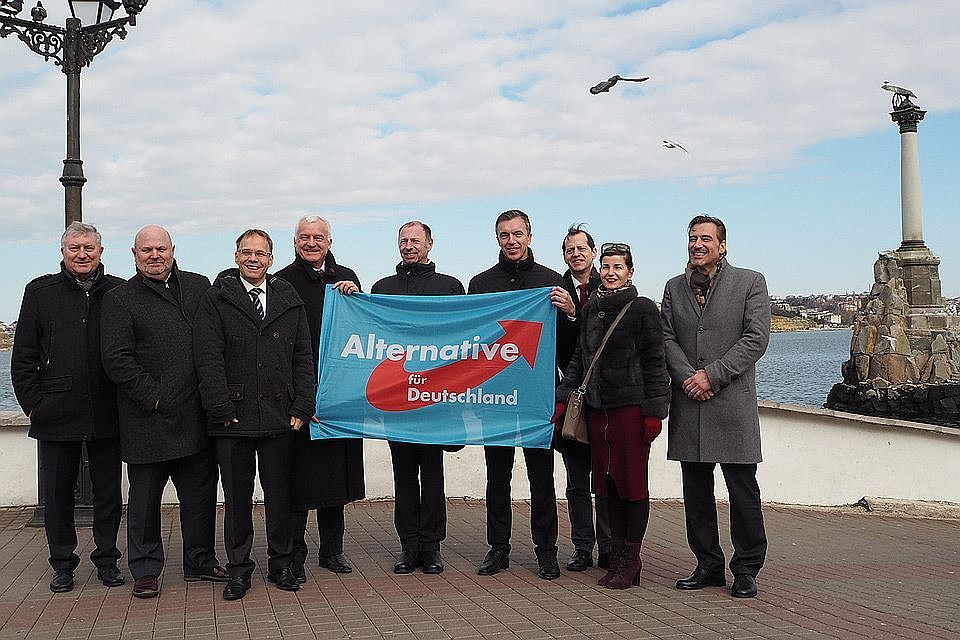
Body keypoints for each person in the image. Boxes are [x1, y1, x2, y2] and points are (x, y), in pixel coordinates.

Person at [100, 225, 227, 598]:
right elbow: (117, 359)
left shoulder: (199, 285)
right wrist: (154, 398)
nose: (154, 255)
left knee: (200, 499)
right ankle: (145, 569)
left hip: (196, 417)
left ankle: (200, 561)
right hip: (147, 420)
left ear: (173, 250)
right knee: (144, 505)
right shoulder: (119, 299)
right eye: (146, 250)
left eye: (160, 249)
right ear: (134, 254)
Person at [194, 229, 315, 600]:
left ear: (271, 259)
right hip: (232, 418)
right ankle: (239, 570)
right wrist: (220, 406)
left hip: (280, 415)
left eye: (260, 253)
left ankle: (282, 565)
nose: (253, 258)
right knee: (237, 500)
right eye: (246, 252)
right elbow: (208, 357)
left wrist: (303, 404)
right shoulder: (216, 298)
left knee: (281, 497)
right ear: (236, 256)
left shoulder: (288, 298)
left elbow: (302, 356)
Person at [11, 221, 125, 593]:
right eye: (74, 248)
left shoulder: (119, 290)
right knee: (58, 496)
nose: (82, 254)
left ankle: (107, 560)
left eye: (89, 247)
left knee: (109, 495)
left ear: (101, 252)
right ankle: (62, 564)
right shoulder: (40, 291)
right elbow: (24, 356)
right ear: (63, 252)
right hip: (56, 412)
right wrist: (34, 405)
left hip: (107, 412)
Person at [660, 215, 770, 599]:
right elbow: (667, 338)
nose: (697, 244)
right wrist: (688, 377)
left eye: (706, 238)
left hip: (731, 405)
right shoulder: (674, 288)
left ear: (722, 246)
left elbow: (756, 339)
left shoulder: (750, 282)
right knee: (696, 494)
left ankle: (746, 568)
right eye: (693, 238)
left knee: (743, 492)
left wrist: (712, 376)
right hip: (689, 404)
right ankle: (707, 564)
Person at [467, 209, 577, 580]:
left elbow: (569, 345)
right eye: (504, 235)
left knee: (541, 478)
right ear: (497, 238)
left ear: (530, 236)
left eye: (517, 234)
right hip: (494, 396)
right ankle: (498, 549)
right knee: (497, 477)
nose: (511, 241)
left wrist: (571, 313)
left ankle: (546, 551)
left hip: (536, 397)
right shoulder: (481, 283)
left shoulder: (552, 281)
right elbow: (469, 339)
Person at [555, 242, 669, 589]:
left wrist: (654, 413)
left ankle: (630, 558)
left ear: (630, 272)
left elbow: (655, 362)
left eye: (618, 267)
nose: (610, 272)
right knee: (607, 486)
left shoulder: (642, 308)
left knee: (631, 485)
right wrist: (563, 399)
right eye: (606, 266)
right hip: (596, 410)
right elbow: (579, 360)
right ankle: (619, 555)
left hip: (629, 410)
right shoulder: (590, 308)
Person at [371, 221, 465, 575]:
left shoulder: (450, 287)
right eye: (403, 241)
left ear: (430, 244)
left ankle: (431, 546)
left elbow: (466, 337)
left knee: (433, 474)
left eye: (415, 240)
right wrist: (349, 295)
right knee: (404, 475)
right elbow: (370, 334)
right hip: (397, 399)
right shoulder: (382, 288)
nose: (409, 246)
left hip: (436, 399)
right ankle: (408, 546)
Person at [275, 216, 364, 579]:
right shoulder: (281, 281)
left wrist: (357, 296)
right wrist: (301, 396)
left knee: (334, 478)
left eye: (318, 237)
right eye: (304, 237)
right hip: (299, 395)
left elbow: (362, 331)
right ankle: (294, 552)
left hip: (338, 396)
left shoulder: (346, 277)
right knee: (298, 481)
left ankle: (332, 550)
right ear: (295, 241)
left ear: (329, 241)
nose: (311, 243)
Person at [556, 224, 612, 572]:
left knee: (604, 477)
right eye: (569, 249)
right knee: (576, 480)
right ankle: (581, 547)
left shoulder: (611, 287)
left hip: (605, 398)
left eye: (581, 248)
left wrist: (575, 315)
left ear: (593, 252)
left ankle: (608, 544)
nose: (575, 254)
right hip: (571, 396)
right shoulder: (555, 289)